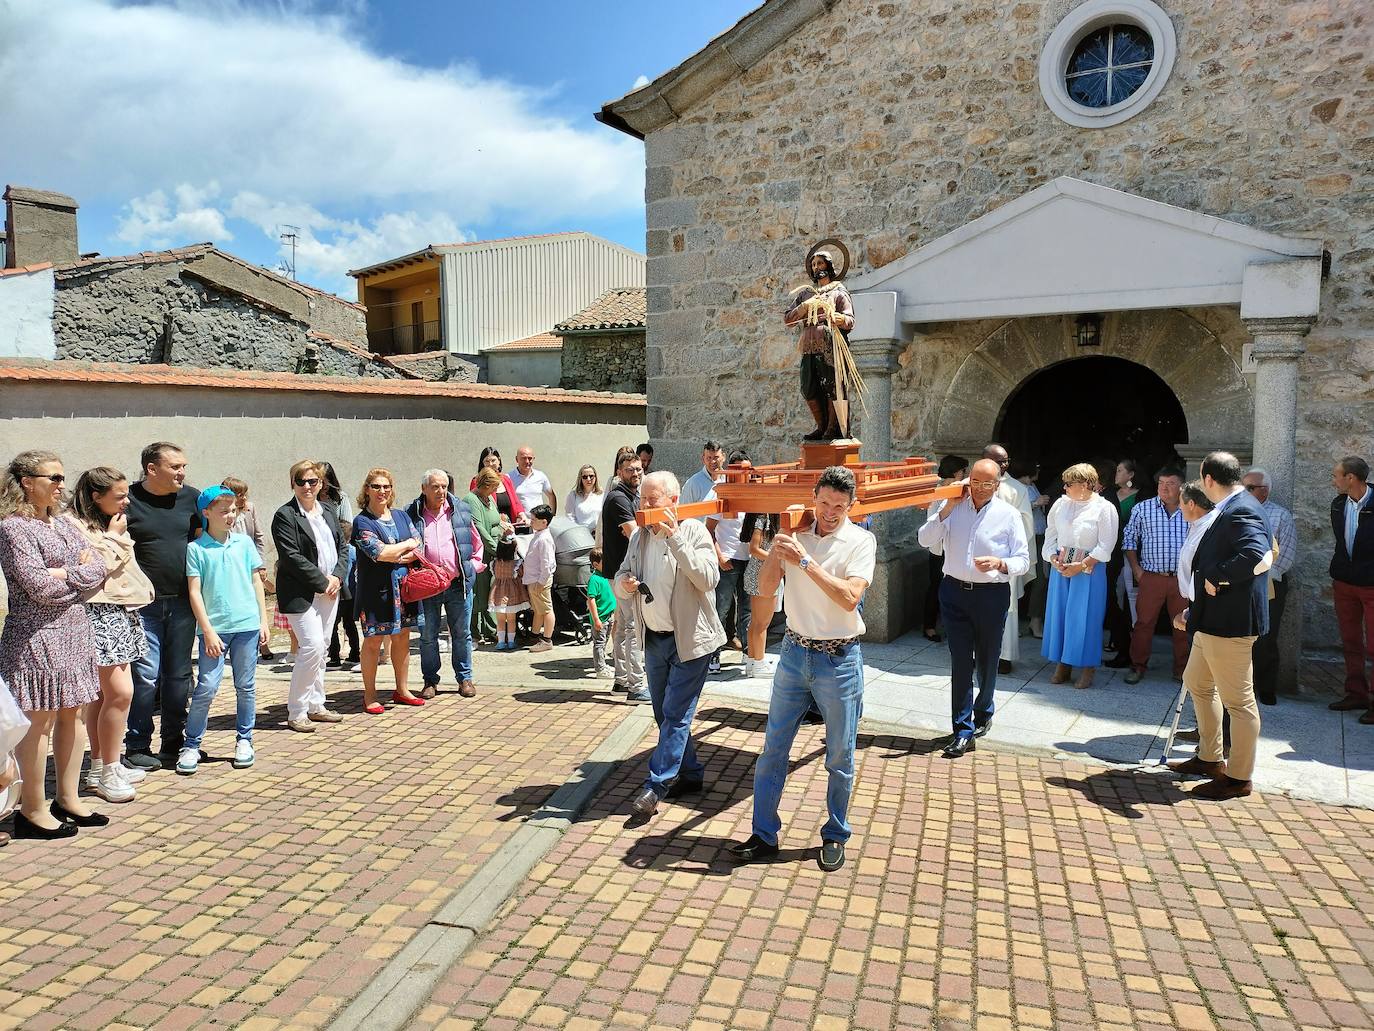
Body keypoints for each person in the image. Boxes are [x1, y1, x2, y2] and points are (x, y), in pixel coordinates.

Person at [731, 466, 875, 872]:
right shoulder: (797, 533)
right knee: (773, 749)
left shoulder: (861, 541)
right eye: (825, 503)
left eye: (840, 506)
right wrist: (780, 549)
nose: (830, 512)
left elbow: (849, 598)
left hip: (839, 658)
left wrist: (807, 561)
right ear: (815, 498)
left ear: (851, 505)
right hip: (794, 655)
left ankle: (835, 834)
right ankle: (763, 835)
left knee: (840, 754)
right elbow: (764, 586)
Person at [0, 450, 107, 839]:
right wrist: (78, 576)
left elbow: (100, 569)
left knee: (73, 715)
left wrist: (69, 573)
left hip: (74, 630)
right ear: (27, 482)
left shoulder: (63, 523)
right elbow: (38, 587)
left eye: (63, 478)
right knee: (38, 721)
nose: (62, 485)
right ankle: (32, 808)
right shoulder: (13, 528)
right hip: (35, 636)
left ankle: (68, 797)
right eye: (54, 478)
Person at [616, 471, 725, 819]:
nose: (645, 506)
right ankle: (690, 773)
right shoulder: (640, 538)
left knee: (676, 715)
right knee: (663, 714)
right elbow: (619, 576)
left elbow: (708, 578)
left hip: (691, 641)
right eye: (642, 500)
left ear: (673, 501)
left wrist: (675, 538)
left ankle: (657, 784)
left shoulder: (693, 531)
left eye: (652, 500)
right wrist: (626, 584)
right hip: (655, 639)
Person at [1168, 452, 1270, 801]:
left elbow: (1257, 553)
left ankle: (1238, 777)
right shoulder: (1233, 506)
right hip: (1211, 620)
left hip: (1230, 622)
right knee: (1197, 682)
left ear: (1208, 479)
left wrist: (1217, 577)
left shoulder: (1240, 508)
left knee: (1239, 703)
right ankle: (1210, 757)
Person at [918, 458, 1029, 760]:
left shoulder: (1008, 514)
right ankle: (962, 729)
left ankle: (984, 709)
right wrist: (946, 510)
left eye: (987, 483)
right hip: (954, 592)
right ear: (967, 480)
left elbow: (1023, 559)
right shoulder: (949, 506)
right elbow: (926, 540)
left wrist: (1000, 563)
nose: (980, 489)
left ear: (997, 484)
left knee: (988, 658)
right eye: (976, 482)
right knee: (961, 662)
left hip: (991, 594)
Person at [72, 467, 154, 804]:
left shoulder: (108, 523)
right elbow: (89, 568)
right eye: (119, 496)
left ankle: (103, 766)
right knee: (120, 693)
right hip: (98, 611)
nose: (126, 501)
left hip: (120, 610)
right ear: (95, 496)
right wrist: (116, 537)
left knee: (105, 696)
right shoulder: (74, 525)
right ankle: (106, 770)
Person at [123, 442, 199, 770]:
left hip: (184, 602)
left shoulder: (192, 498)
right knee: (145, 675)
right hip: (143, 606)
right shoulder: (126, 500)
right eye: (175, 467)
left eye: (183, 466)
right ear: (152, 469)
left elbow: (203, 541)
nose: (182, 472)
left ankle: (174, 742)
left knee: (179, 675)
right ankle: (137, 744)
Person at [182, 486, 268, 774]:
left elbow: (256, 582)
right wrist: (206, 630)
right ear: (206, 513)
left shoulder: (244, 544)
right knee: (206, 686)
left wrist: (263, 620)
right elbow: (195, 592)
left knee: (246, 686)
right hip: (215, 629)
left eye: (233, 510)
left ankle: (245, 739)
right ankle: (191, 744)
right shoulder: (196, 550)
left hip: (247, 626)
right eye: (224, 511)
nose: (231, 516)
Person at [272, 460, 348, 732]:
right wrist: (321, 581)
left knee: (323, 647)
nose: (307, 486)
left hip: (331, 590)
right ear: (293, 483)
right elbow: (291, 557)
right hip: (301, 593)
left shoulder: (327, 510)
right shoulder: (285, 515)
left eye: (312, 481)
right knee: (312, 646)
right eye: (301, 481)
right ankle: (297, 710)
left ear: (321, 484)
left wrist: (337, 577)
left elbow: (342, 546)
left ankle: (317, 705)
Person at [1040, 464, 1118, 690]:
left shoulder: (1104, 508)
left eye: (1068, 484)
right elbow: (1050, 537)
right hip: (1062, 568)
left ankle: (1087, 667)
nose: (1064, 488)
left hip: (1089, 570)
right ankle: (1063, 664)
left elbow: (1106, 545)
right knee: (1061, 616)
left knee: (1086, 619)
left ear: (1085, 485)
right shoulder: (1060, 504)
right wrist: (1052, 558)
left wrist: (1082, 565)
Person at [352, 468, 423, 713]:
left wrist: (397, 554)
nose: (382, 491)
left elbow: (418, 546)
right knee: (373, 641)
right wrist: (403, 548)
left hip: (405, 589)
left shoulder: (402, 516)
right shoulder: (362, 521)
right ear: (367, 490)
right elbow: (378, 552)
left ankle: (402, 689)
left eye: (386, 487)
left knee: (402, 637)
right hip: (376, 591)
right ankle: (370, 695)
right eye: (376, 487)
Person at [407, 470, 482, 699]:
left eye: (444, 486)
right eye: (436, 487)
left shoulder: (460, 510)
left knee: (462, 633)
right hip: (428, 586)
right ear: (424, 489)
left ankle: (465, 678)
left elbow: (475, 543)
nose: (441, 491)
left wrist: (473, 567)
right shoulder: (412, 513)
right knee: (428, 635)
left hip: (457, 583)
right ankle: (430, 680)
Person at [1122, 466, 1190, 685]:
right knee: (1143, 623)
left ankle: (1183, 670)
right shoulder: (1143, 508)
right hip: (1151, 576)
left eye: (1170, 483)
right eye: (1161, 483)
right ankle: (1137, 666)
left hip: (1182, 579)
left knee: (1183, 625)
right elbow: (1129, 539)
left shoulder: (1192, 509)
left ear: (1181, 486)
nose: (1164, 488)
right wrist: (1137, 570)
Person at [784, 248, 856, 440]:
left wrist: (836, 317)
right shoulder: (806, 294)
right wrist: (803, 308)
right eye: (814, 264)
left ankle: (833, 427)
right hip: (808, 347)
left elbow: (850, 320)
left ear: (829, 266)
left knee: (833, 387)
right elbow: (788, 319)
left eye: (820, 263)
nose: (817, 267)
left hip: (831, 346)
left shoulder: (839, 292)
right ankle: (821, 425)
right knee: (808, 387)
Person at [1243, 468, 1297, 706]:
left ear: (1264, 491)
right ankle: (1244, 685)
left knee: (1266, 636)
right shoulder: (1238, 512)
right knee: (1241, 635)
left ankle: (1266, 687)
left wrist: (1262, 575)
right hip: (1240, 583)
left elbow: (1286, 554)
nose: (1243, 492)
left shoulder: (1281, 516)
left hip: (1269, 583)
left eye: (1249, 488)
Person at [1328, 455, 1374, 718]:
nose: (1334, 480)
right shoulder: (1338, 505)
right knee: (1350, 641)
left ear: (1351, 478)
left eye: (1337, 475)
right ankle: (1355, 693)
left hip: (1371, 585)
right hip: (1345, 583)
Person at [984, 444, 1036, 674]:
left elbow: (1026, 525)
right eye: (998, 461)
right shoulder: (971, 485)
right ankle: (979, 654)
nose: (1003, 465)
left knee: (1008, 607)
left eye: (1005, 460)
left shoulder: (1017, 490)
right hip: (978, 558)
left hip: (1006, 559)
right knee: (977, 606)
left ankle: (1004, 657)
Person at [602, 449, 647, 701]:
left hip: (620, 571)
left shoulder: (632, 495)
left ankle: (620, 680)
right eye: (630, 470)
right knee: (632, 627)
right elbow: (636, 534)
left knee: (621, 626)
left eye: (639, 469)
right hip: (623, 573)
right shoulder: (619, 498)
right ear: (620, 472)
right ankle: (636, 685)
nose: (635, 474)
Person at [710, 449, 753, 675]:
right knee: (721, 608)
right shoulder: (721, 492)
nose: (743, 474)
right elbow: (708, 530)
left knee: (747, 609)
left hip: (747, 558)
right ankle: (714, 655)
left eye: (747, 470)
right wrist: (719, 556)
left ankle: (748, 652)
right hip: (727, 559)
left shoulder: (752, 493)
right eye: (739, 470)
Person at [223, 476, 274, 662]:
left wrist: (261, 564)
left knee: (257, 601)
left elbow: (258, 536)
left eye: (244, 494)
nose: (243, 498)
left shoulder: (250, 508)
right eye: (239, 494)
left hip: (249, 562)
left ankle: (263, 643)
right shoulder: (222, 512)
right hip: (230, 565)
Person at [922, 455, 968, 643]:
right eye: (964, 471)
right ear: (957, 472)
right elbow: (934, 520)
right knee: (936, 587)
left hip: (953, 547)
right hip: (939, 548)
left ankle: (948, 626)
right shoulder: (939, 491)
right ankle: (929, 626)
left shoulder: (958, 490)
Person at [465, 468, 509, 646]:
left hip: (493, 552)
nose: (494, 491)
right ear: (485, 484)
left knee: (492, 591)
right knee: (479, 592)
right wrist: (497, 549)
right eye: (493, 487)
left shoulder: (489, 498)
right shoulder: (471, 500)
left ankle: (492, 629)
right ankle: (475, 631)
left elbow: (495, 520)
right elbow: (479, 530)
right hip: (481, 554)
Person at [1103, 459, 1141, 667]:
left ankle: (1133, 648)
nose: (1116, 474)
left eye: (1120, 470)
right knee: (1113, 596)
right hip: (1112, 553)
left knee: (1132, 597)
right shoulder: (1107, 494)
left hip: (1133, 552)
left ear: (1131, 474)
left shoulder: (1142, 496)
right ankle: (1117, 640)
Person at [742, 512, 783, 677]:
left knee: (756, 622)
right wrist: (776, 558)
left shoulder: (761, 519)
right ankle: (758, 662)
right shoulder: (764, 520)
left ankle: (753, 661)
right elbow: (754, 548)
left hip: (757, 573)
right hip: (764, 574)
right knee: (761, 624)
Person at [327, 515, 361, 672]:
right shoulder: (354, 551)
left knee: (333, 626)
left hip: (337, 594)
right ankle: (355, 654)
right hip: (351, 594)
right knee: (350, 625)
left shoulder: (334, 553)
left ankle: (334, 657)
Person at [523, 504, 557, 653]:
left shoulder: (544, 539)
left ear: (544, 522)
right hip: (534, 579)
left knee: (546, 609)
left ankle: (547, 640)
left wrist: (541, 582)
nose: (531, 522)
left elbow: (547, 564)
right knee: (538, 609)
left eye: (534, 519)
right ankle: (534, 635)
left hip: (539, 580)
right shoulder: (539, 535)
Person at [470, 448, 526, 529]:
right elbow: (479, 509)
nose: (490, 464)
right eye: (487, 461)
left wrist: (522, 514)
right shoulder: (477, 482)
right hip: (492, 529)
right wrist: (500, 523)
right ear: (482, 464)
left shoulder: (506, 479)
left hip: (510, 528)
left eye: (493, 460)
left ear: (499, 461)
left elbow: (516, 502)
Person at [586, 547, 616, 679]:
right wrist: (596, 619)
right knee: (599, 643)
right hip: (601, 617)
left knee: (604, 642)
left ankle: (602, 664)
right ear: (595, 564)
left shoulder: (606, 576)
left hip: (609, 615)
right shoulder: (594, 579)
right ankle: (600, 669)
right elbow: (591, 600)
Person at [679, 440, 727, 512]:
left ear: (723, 457)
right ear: (703, 459)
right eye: (709, 458)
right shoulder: (693, 483)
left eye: (716, 457)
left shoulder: (728, 480)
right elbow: (683, 512)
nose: (713, 462)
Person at [510, 446, 556, 515]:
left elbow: (551, 496)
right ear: (517, 459)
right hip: (520, 523)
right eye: (523, 458)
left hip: (538, 523)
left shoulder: (540, 476)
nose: (527, 461)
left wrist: (551, 516)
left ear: (533, 459)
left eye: (530, 458)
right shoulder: (509, 478)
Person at [563, 465, 603, 532]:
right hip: (581, 535)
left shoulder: (601, 495)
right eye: (585, 477)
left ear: (595, 477)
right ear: (580, 479)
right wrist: (579, 531)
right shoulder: (573, 495)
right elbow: (570, 517)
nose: (588, 479)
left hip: (598, 534)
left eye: (591, 476)